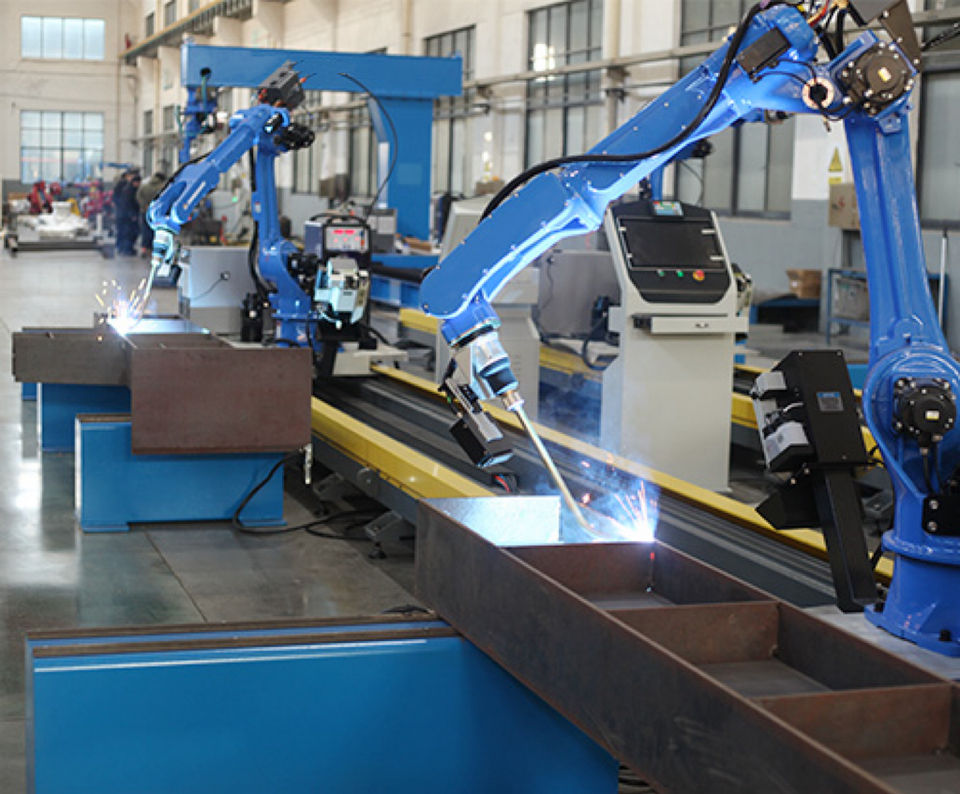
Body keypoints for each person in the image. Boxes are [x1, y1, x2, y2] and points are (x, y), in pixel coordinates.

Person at [136, 171, 167, 257]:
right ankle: (155, 250)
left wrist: (144, 205)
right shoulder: (163, 187)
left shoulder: (144, 185)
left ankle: (144, 249)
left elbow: (138, 196)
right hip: (157, 212)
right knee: (157, 230)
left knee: (145, 230)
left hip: (145, 211)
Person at [115, 172, 141, 255]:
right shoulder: (129, 190)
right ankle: (127, 249)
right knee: (129, 232)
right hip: (127, 215)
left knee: (127, 232)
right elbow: (128, 204)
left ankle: (124, 248)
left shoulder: (129, 189)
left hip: (124, 214)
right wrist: (132, 214)